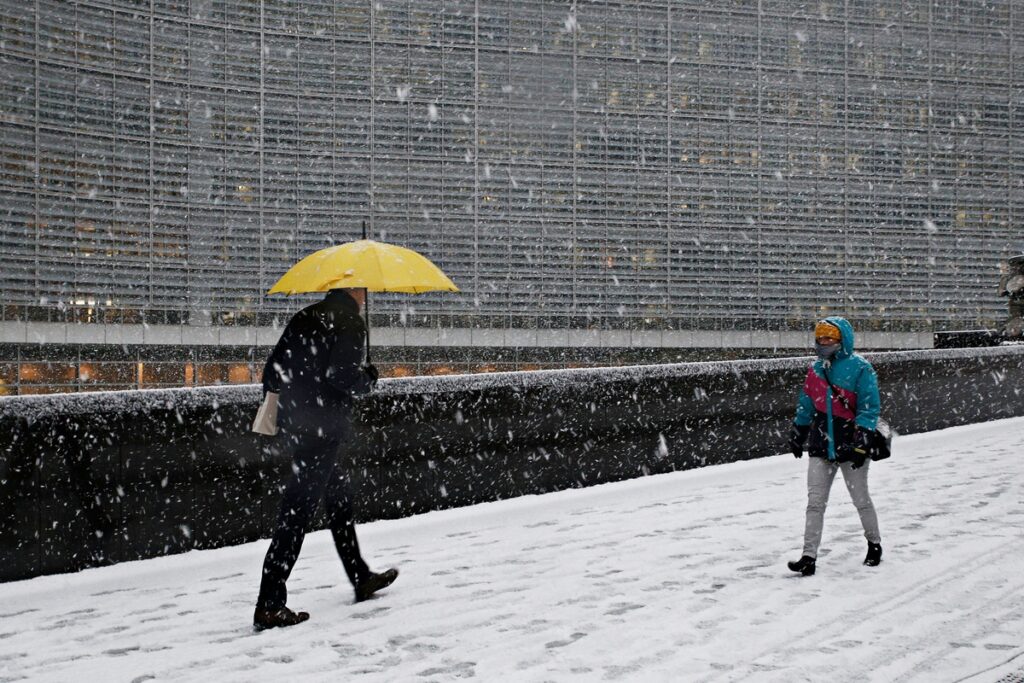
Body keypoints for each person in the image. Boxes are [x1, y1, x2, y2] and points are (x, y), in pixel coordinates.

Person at [254, 287, 397, 630]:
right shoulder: (350, 322)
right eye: (364, 288)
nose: (366, 294)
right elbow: (341, 376)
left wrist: (293, 411)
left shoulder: (304, 317)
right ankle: (270, 603)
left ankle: (360, 576)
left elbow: (272, 372)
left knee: (338, 499)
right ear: (354, 289)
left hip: (298, 427)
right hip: (323, 430)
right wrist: (369, 378)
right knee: (296, 513)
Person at [785, 316, 883, 576]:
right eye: (820, 337)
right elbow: (806, 402)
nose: (823, 342)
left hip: (850, 444)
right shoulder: (816, 369)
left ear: (842, 340)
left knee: (860, 499)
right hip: (820, 442)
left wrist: (862, 441)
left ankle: (874, 544)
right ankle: (809, 557)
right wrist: (799, 431)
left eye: (828, 337)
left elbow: (869, 407)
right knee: (815, 503)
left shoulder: (860, 368)